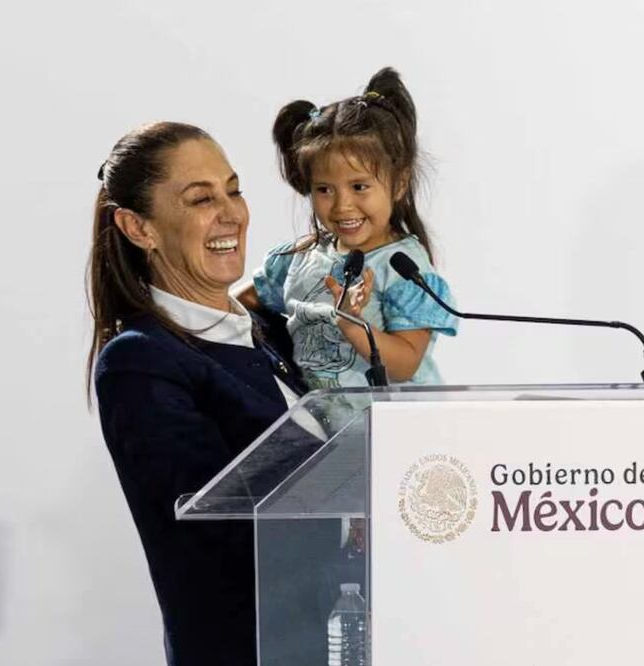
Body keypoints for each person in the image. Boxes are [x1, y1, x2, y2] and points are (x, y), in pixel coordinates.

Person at [87, 122, 313, 665]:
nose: (231, 213)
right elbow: (215, 534)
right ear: (138, 227)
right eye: (201, 199)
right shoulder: (141, 362)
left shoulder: (275, 332)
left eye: (234, 190)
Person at [238, 67, 458, 389]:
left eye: (359, 187)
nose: (342, 206)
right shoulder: (299, 259)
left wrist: (352, 326)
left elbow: (405, 365)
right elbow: (234, 306)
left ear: (399, 183)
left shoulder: (401, 267)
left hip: (398, 419)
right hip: (321, 419)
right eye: (324, 189)